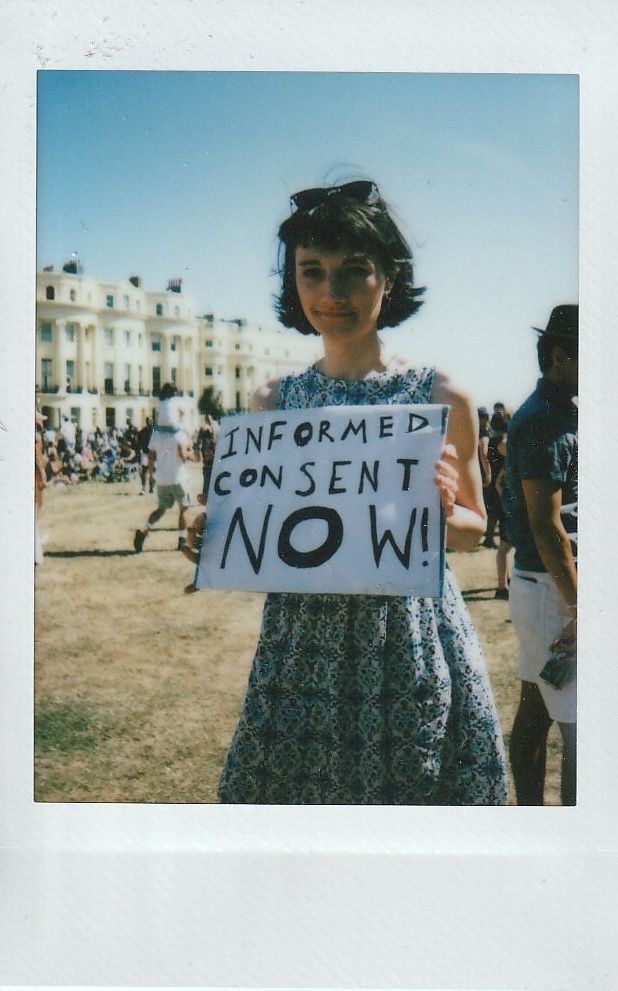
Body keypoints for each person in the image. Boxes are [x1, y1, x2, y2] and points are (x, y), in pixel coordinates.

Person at [189, 179, 507, 805]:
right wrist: (210, 529)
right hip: (301, 654)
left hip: (409, 648)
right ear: (293, 283)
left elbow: (474, 531)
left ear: (389, 278)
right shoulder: (272, 404)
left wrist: (445, 512)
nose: (331, 293)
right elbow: (249, 527)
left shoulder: (441, 398)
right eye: (312, 272)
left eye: (354, 271)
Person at [502, 304, 578, 805]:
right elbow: (546, 525)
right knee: (582, 730)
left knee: (536, 706)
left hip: (544, 587)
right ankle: (571, 834)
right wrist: (581, 606)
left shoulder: (560, 409)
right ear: (558, 356)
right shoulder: (544, 419)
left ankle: (532, 817)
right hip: (553, 591)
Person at [133, 383, 194, 553]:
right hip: (178, 476)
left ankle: (145, 529)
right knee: (184, 508)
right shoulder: (178, 433)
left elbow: (151, 455)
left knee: (161, 508)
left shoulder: (157, 434)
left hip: (162, 478)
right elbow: (182, 454)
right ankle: (182, 540)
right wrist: (192, 455)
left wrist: (152, 473)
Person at [486, 411, 513, 597]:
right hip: (504, 496)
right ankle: (501, 586)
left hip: (496, 494)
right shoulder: (505, 444)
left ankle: (506, 580)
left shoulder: (490, 443)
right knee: (505, 545)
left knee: (506, 543)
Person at [136, 417, 154, 495]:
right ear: (146, 422)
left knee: (152, 472)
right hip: (145, 453)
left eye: (150, 421)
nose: (149, 422)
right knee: (144, 471)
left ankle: (151, 488)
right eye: (147, 421)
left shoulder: (156, 431)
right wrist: (140, 449)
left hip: (154, 454)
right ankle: (143, 488)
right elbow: (139, 441)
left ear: (152, 421)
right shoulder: (142, 431)